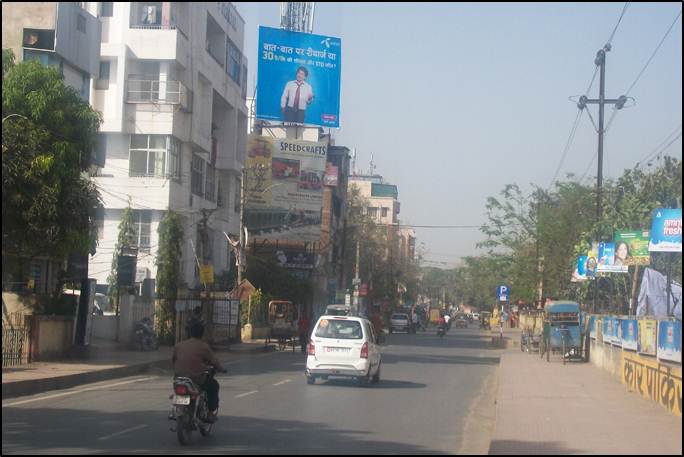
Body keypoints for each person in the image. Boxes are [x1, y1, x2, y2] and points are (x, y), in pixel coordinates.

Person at [173, 323, 227, 423]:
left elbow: (174, 360)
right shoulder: (203, 347)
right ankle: (211, 413)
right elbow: (214, 361)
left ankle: (177, 410)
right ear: (202, 334)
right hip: (196, 380)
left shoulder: (178, 345)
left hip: (178, 379)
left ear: (189, 333)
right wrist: (222, 369)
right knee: (214, 386)